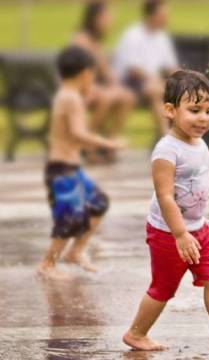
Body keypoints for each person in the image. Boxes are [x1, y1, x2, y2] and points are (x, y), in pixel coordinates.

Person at [122, 70, 209, 354]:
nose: (203, 118)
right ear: (169, 110)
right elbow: (165, 195)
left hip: (198, 228)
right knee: (163, 288)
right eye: (194, 110)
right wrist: (180, 233)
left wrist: (192, 226)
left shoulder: (200, 144)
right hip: (169, 233)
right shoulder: (166, 151)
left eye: (208, 110)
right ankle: (136, 333)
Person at [37, 46, 126, 279]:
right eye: (93, 75)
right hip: (62, 170)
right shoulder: (71, 98)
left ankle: (75, 251)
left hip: (69, 168)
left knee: (98, 202)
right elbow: (78, 134)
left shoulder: (66, 95)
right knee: (67, 218)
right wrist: (108, 144)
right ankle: (48, 263)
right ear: (85, 73)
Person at [73, 0, 135, 163]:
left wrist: (117, 86)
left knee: (127, 97)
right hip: (77, 88)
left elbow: (107, 73)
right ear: (95, 18)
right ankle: (87, 144)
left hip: (93, 88)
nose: (109, 21)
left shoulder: (96, 43)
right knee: (106, 97)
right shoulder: (81, 40)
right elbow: (77, 74)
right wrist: (95, 88)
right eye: (106, 17)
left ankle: (110, 143)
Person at [112, 0, 179, 134]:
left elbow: (171, 66)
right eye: (163, 14)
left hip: (149, 83)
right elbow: (132, 69)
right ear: (152, 16)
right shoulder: (132, 35)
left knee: (170, 92)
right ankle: (167, 136)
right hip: (128, 82)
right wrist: (155, 80)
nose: (167, 17)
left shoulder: (162, 37)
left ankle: (171, 136)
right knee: (156, 90)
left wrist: (185, 80)